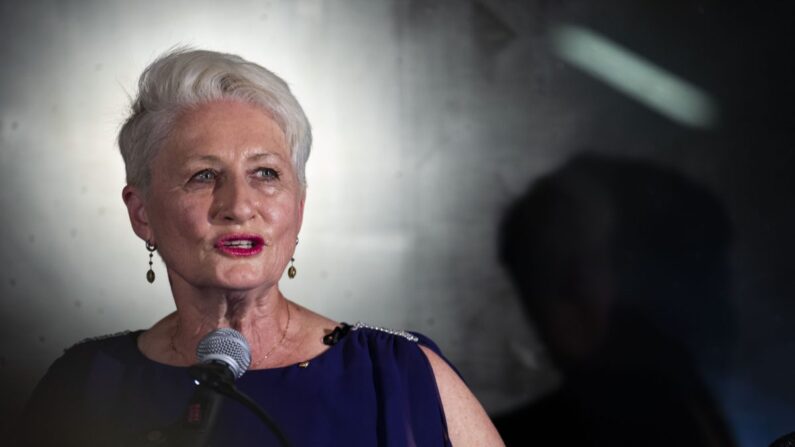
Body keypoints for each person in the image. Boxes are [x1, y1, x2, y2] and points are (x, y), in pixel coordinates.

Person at [17, 48, 503, 446]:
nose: (239, 205)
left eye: (265, 174)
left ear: (299, 206)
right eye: (203, 176)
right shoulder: (86, 383)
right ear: (141, 213)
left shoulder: (399, 376)